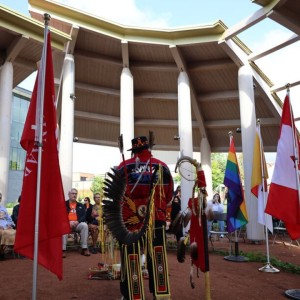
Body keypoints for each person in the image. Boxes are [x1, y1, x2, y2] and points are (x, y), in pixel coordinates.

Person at [115, 135, 174, 300]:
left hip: (129, 221)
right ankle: (159, 293)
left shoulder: (123, 167)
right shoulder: (163, 167)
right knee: (157, 255)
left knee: (130, 255)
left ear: (133, 151)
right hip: (156, 218)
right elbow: (169, 195)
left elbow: (116, 197)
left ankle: (130, 294)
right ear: (148, 148)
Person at [62, 188, 90, 257]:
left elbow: (84, 216)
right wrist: (68, 222)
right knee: (63, 226)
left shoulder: (80, 205)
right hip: (67, 224)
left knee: (84, 225)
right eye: (73, 193)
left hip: (77, 224)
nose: (74, 195)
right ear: (69, 195)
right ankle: (63, 250)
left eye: (75, 194)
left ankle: (84, 248)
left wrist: (78, 221)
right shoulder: (64, 204)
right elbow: (61, 215)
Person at [0, 193, 16, 260]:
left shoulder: (3, 208)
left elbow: (9, 218)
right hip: (1, 226)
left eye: (0, 198)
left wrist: (10, 224)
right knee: (2, 233)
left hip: (6, 225)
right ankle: (1, 252)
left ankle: (7, 250)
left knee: (15, 232)